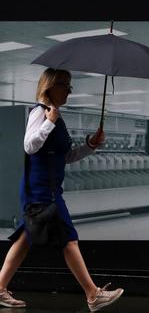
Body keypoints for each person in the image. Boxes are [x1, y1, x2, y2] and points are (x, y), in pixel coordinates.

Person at [0, 68, 124, 311]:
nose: (69, 90)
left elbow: (64, 156)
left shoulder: (57, 116)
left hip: (50, 187)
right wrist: (49, 122)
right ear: (51, 86)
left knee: (26, 237)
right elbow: (29, 146)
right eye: (65, 85)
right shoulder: (40, 112)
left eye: (70, 86)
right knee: (69, 239)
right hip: (42, 190)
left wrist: (90, 146)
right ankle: (92, 294)